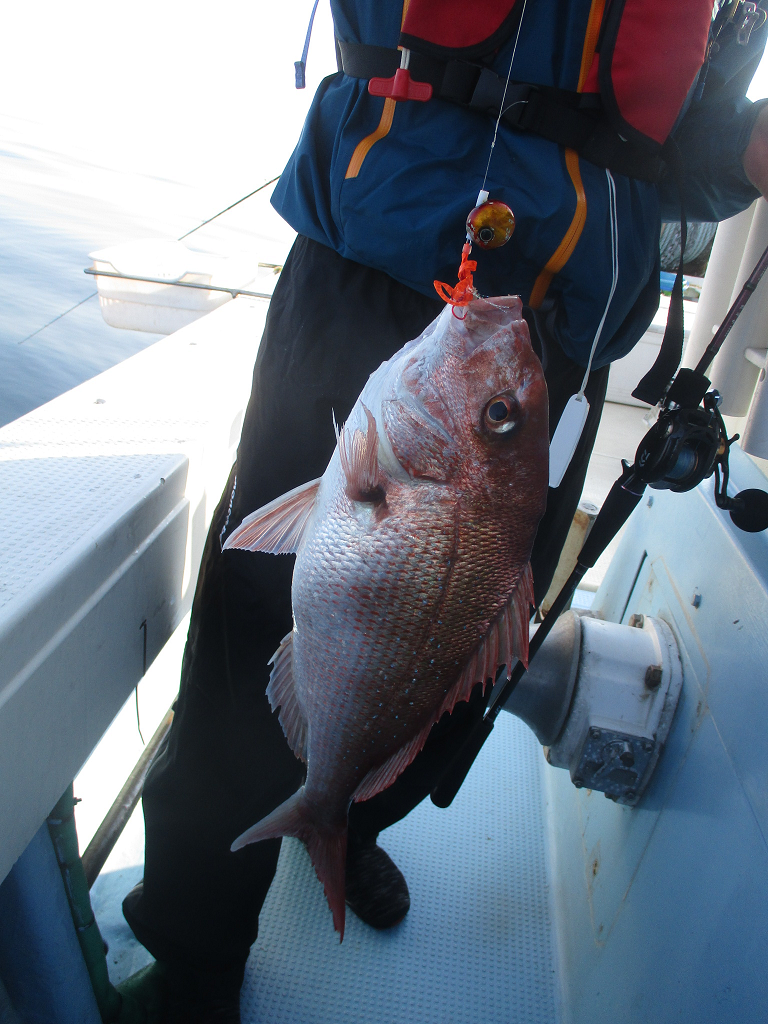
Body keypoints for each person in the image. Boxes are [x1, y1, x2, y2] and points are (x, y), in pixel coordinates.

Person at [121, 2, 768, 1020]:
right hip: (380, 283)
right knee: (255, 632)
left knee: (458, 659)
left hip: (555, 346)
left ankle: (349, 820)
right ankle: (195, 954)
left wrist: (745, 150)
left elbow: (687, 154)